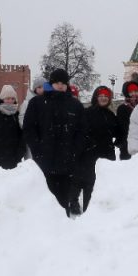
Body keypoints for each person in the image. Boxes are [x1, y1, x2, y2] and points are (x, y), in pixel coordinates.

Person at [23, 68, 87, 218]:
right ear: (51, 84)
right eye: (57, 82)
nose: (60, 86)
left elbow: (82, 131)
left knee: (63, 200)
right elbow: (29, 129)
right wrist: (37, 151)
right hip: (44, 161)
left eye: (64, 83)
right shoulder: (37, 103)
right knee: (44, 200)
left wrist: (75, 151)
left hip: (67, 162)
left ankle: (62, 230)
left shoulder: (75, 105)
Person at [76, 85, 121, 212]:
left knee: (104, 185)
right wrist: (89, 144)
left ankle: (104, 213)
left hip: (106, 154)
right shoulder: (87, 113)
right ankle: (88, 211)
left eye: (106, 96)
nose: (103, 98)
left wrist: (118, 141)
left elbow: (117, 132)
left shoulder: (111, 115)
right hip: (90, 155)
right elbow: (81, 132)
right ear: (96, 97)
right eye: (101, 96)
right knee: (89, 185)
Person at [19, 75, 46, 160]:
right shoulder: (27, 103)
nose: (42, 89)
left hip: (44, 137)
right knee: (32, 162)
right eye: (39, 87)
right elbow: (21, 118)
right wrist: (30, 128)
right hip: (32, 137)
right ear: (35, 88)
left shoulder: (47, 101)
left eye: (44, 87)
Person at [115, 80, 138, 160]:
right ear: (127, 93)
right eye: (131, 92)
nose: (134, 94)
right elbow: (124, 127)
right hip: (127, 145)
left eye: (136, 91)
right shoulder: (122, 108)